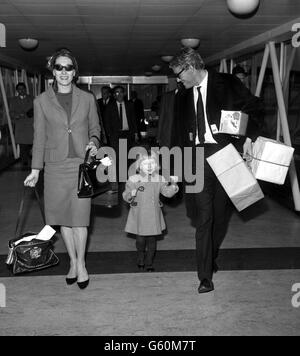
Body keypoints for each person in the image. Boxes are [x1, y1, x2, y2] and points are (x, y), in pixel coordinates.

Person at [169, 47, 264, 294]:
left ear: (191, 67)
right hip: (197, 159)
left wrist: (249, 136)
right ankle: (204, 276)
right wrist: (175, 172)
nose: (178, 79)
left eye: (180, 74)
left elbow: (255, 108)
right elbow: (177, 135)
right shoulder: (181, 96)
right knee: (204, 218)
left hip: (226, 156)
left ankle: (211, 256)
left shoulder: (228, 83)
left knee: (220, 218)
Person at [24, 49, 101, 290]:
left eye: (68, 67)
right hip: (55, 167)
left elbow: (96, 129)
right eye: (59, 67)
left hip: (81, 166)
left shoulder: (87, 98)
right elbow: (39, 138)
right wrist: (36, 170)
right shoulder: (41, 102)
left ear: (75, 72)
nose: (64, 72)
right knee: (63, 220)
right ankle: (73, 262)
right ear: (53, 71)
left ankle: (82, 265)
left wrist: (94, 143)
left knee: (80, 220)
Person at [122, 149, 179, 272]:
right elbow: (126, 194)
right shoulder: (133, 179)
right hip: (139, 214)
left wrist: (173, 186)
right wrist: (130, 195)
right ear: (139, 166)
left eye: (152, 163)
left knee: (152, 241)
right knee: (140, 240)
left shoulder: (159, 179)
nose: (149, 166)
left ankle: (149, 262)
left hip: (153, 214)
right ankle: (140, 256)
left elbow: (166, 193)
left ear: (156, 165)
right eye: (145, 164)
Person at [9, 82, 34, 167]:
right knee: (22, 144)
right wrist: (18, 115)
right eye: (19, 89)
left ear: (25, 89)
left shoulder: (32, 99)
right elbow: (11, 113)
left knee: (31, 143)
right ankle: (24, 161)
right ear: (17, 91)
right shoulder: (13, 100)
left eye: (22, 89)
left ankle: (30, 157)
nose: (21, 91)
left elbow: (37, 110)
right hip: (20, 126)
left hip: (31, 125)